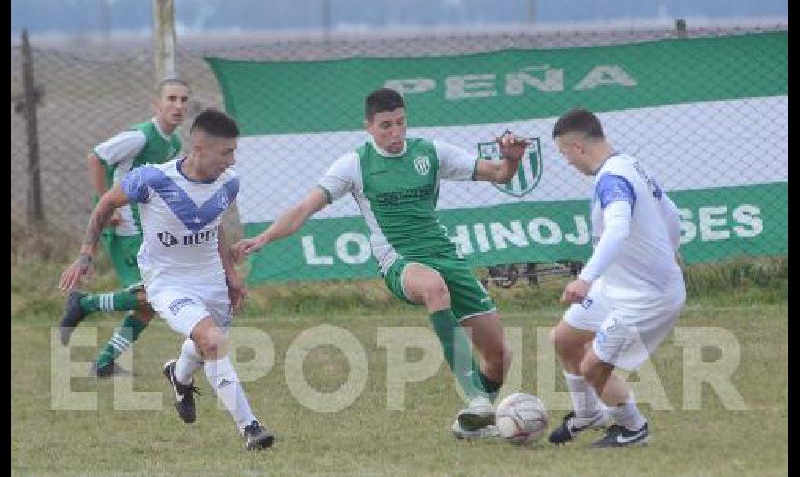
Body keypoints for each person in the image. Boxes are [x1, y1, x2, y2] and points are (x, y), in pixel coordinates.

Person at [231, 87, 529, 439]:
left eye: (401, 123)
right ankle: (477, 400)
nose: (395, 133)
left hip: (446, 256)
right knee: (433, 287)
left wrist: (511, 159)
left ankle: (475, 425)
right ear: (369, 127)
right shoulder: (355, 164)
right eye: (386, 125)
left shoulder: (430, 153)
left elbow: (499, 174)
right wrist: (264, 238)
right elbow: (303, 209)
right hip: (400, 262)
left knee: (499, 356)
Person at [59, 109, 274, 451]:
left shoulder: (229, 182)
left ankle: (179, 374)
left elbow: (212, 224)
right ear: (198, 149)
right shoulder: (152, 179)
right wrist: (85, 255)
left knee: (206, 344)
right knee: (213, 341)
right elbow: (105, 205)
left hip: (211, 280)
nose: (232, 160)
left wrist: (231, 276)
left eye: (234, 151)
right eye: (226, 152)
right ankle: (251, 427)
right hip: (168, 282)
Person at [547, 108, 685, 448]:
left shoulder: (612, 179)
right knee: (564, 338)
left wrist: (585, 278)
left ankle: (632, 427)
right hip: (617, 284)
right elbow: (671, 212)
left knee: (594, 367)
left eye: (564, 154)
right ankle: (589, 414)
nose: (567, 162)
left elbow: (618, 228)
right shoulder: (630, 164)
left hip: (645, 296)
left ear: (578, 147)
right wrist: (672, 248)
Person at [58, 77, 189, 378]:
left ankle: (104, 363)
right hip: (124, 224)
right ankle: (84, 303)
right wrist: (108, 202)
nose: (178, 105)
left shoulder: (173, 142)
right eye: (171, 99)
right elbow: (96, 157)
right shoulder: (140, 137)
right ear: (156, 104)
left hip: (144, 225)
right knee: (151, 295)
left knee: (148, 303)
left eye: (183, 100)